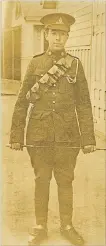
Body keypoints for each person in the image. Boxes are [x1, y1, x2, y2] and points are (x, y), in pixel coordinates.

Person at [9, 13, 96, 246]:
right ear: (46, 35)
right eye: (54, 33)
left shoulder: (75, 65)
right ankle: (40, 226)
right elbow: (21, 102)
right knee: (41, 180)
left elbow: (84, 103)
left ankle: (67, 226)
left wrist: (88, 139)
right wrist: (16, 136)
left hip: (68, 136)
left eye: (63, 34)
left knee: (66, 181)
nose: (58, 38)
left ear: (68, 37)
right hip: (39, 135)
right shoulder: (35, 64)